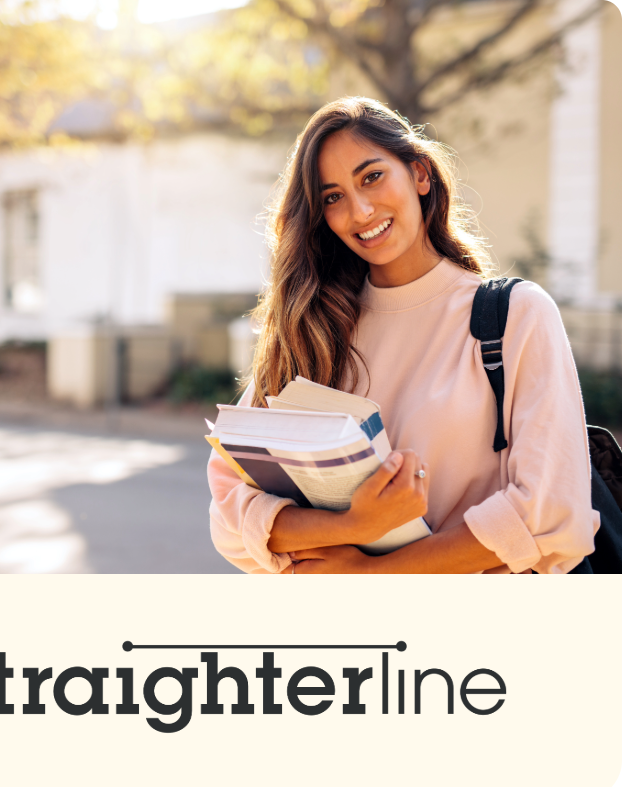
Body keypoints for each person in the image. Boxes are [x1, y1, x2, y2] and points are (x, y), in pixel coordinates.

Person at [207, 96, 599, 575]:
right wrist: (352, 525)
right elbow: (230, 511)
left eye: (371, 176)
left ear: (419, 174)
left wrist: (369, 575)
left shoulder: (515, 315)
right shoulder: (314, 329)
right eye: (333, 197)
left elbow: (548, 514)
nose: (361, 210)